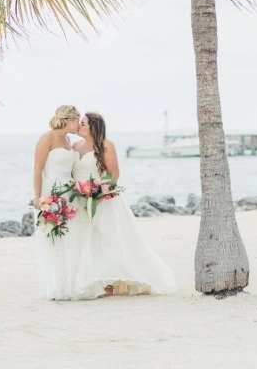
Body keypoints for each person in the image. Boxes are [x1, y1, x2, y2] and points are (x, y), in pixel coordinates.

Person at [71, 112, 176, 299]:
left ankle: (110, 282)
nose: (79, 125)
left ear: (94, 126)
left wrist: (98, 195)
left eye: (83, 123)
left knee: (107, 241)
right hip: (80, 200)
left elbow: (113, 175)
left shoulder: (105, 146)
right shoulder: (75, 146)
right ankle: (92, 280)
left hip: (103, 201)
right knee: (86, 240)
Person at [33, 104, 80, 300]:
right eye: (77, 121)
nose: (79, 124)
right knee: (54, 237)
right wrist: (37, 197)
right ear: (68, 120)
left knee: (70, 238)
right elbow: (38, 168)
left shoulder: (68, 139)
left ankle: (69, 284)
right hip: (51, 191)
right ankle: (56, 286)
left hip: (69, 193)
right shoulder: (48, 137)